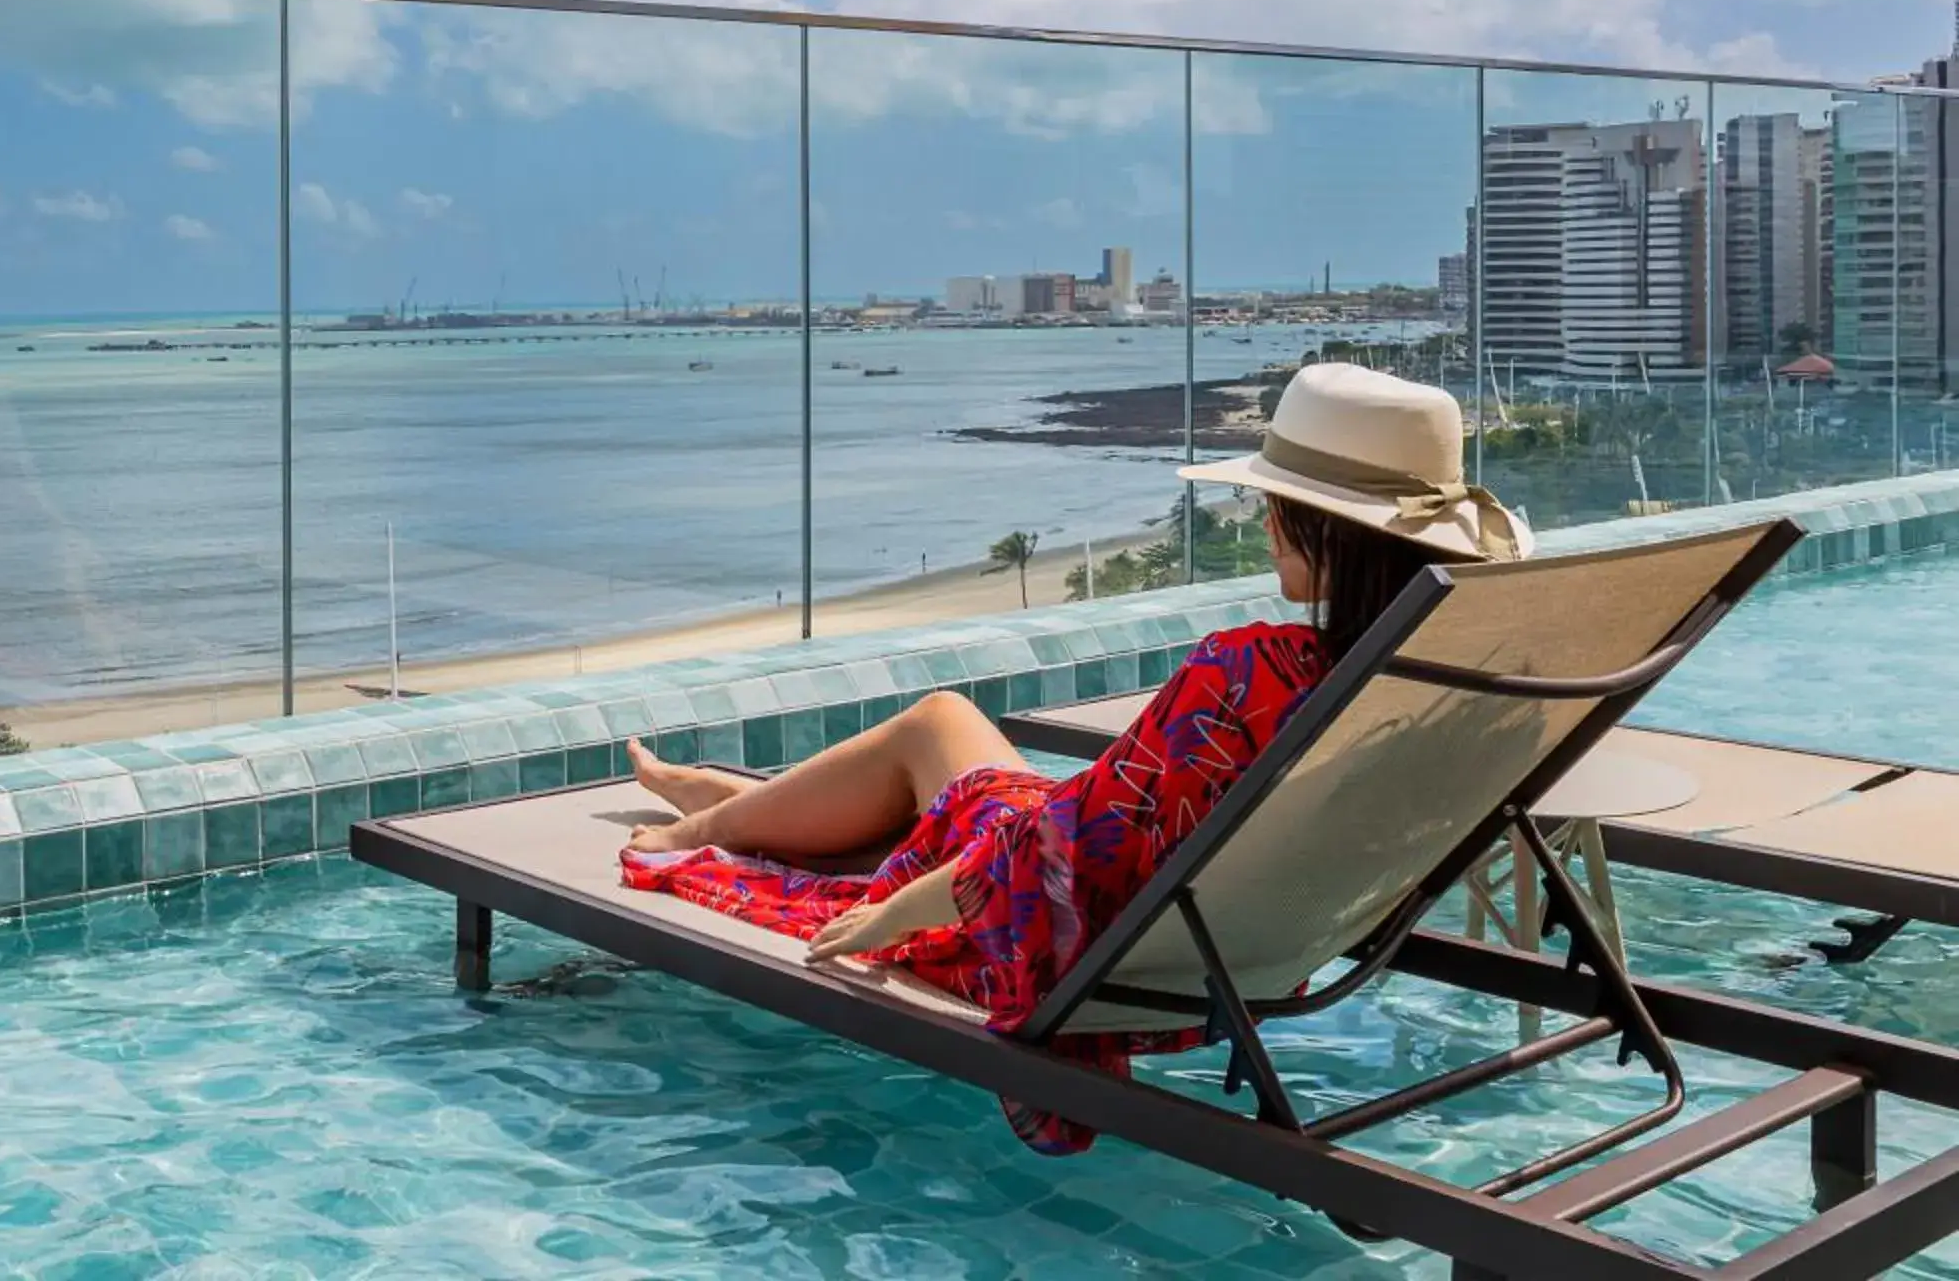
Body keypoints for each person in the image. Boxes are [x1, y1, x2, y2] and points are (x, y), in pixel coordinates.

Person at [619, 361, 1531, 1153]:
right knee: (949, 751)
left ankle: (706, 821)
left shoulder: (1250, 677)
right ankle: (736, 798)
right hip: (1245, 959)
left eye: (1275, 507)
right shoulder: (1433, 695)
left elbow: (1050, 849)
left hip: (1066, 934)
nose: (1263, 524)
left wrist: (905, 907)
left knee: (938, 726)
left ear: (1327, 531)